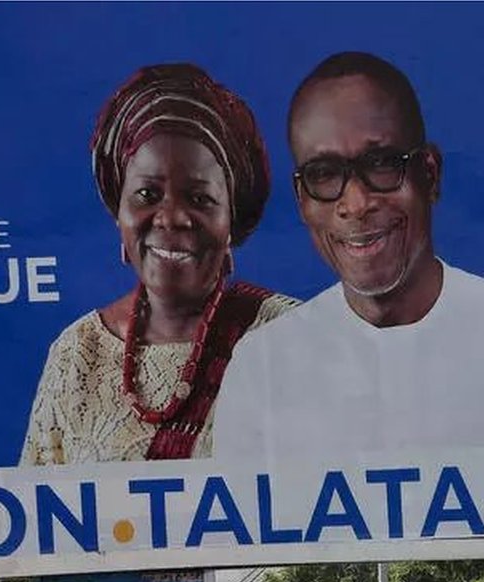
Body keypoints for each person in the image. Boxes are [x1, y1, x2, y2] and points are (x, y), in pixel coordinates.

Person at [215, 51, 484, 474]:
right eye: (325, 174)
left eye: (381, 164)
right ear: (302, 201)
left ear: (430, 174)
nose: (357, 203)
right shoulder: (263, 369)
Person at [21, 64, 295, 465]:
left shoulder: (290, 338)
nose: (171, 218)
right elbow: (38, 520)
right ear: (120, 212)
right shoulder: (78, 354)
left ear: (230, 221)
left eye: (200, 198)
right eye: (148, 194)